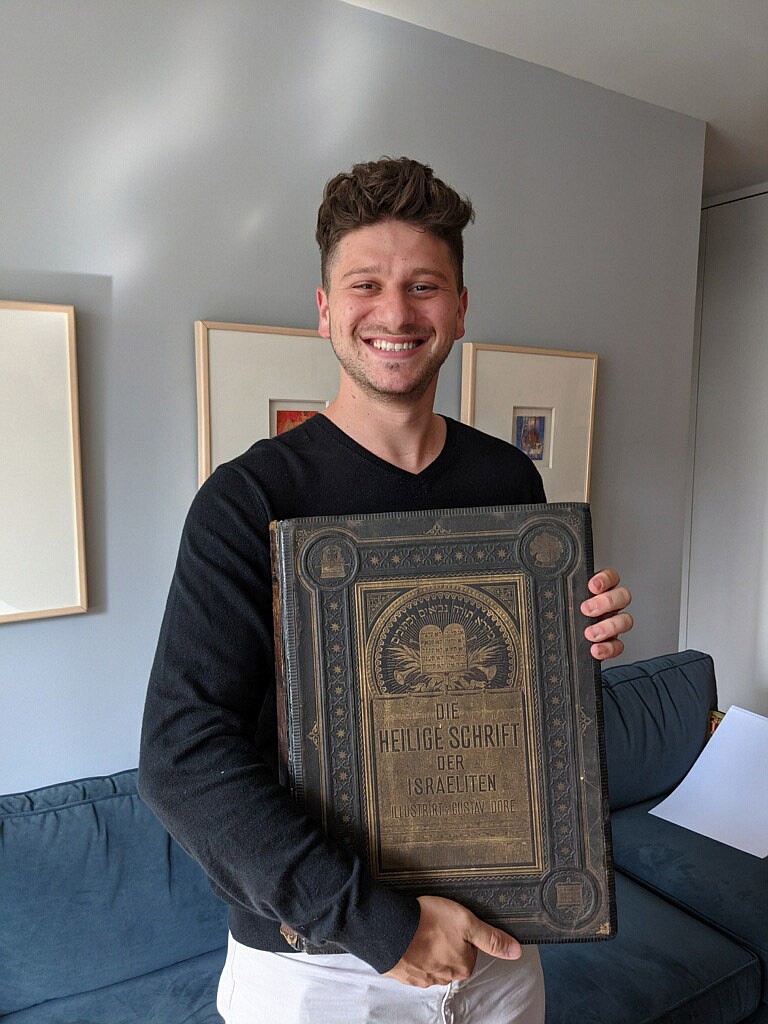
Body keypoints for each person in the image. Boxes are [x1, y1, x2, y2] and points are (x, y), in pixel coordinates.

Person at [139, 157, 633, 1024]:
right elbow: (184, 760)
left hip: (502, 939)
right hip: (321, 969)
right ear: (326, 307)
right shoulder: (247, 500)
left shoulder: (509, 478)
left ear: (461, 308)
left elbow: (523, 712)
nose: (396, 313)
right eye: (365, 284)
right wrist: (383, 924)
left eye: (424, 286)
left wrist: (579, 641)